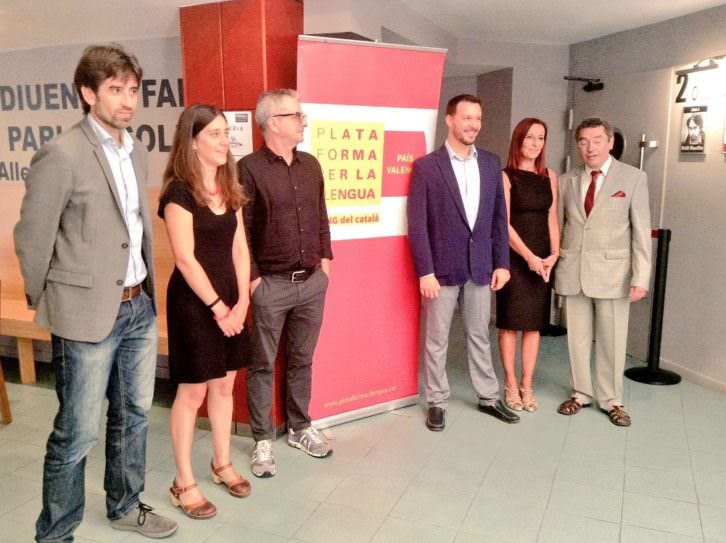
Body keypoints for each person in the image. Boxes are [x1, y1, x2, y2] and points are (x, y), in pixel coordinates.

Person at [14, 44, 177, 541]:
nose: (128, 101)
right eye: (115, 90)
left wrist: (145, 291)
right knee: (77, 432)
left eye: (133, 89)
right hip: (84, 314)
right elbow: (33, 236)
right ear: (88, 93)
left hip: (138, 306)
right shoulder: (62, 153)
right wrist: (49, 300)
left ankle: (125, 505)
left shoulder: (136, 149)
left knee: (132, 416)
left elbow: (133, 229)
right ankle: (56, 532)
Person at [158, 105, 251, 519]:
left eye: (225, 132)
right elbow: (184, 259)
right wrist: (218, 308)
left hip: (232, 300)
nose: (223, 140)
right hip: (195, 304)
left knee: (225, 386)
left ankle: (221, 463)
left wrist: (242, 303)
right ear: (192, 140)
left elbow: (240, 247)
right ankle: (183, 482)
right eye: (214, 133)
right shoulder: (178, 191)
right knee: (192, 391)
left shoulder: (230, 186)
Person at [407, 94, 518, 432]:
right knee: (437, 339)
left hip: (481, 266)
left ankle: (488, 397)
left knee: (479, 334)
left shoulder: (490, 163)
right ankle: (437, 401)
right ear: (450, 120)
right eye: (467, 117)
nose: (473, 124)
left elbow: (499, 218)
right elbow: (417, 223)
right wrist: (424, 271)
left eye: (478, 119)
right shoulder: (427, 166)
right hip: (440, 270)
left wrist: (502, 262)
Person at [239, 89, 333, 478]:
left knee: (302, 359)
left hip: (312, 281)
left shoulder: (311, 165)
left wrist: (325, 264)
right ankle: (263, 440)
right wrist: (254, 281)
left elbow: (322, 216)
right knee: (261, 365)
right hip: (270, 287)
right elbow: (241, 231)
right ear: (274, 123)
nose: (303, 121)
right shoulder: (248, 169)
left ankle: (299, 427)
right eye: (296, 115)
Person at [555, 117, 651, 426]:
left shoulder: (634, 178)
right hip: (574, 271)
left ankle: (612, 400)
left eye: (597, 140)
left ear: (610, 143)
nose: (589, 147)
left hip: (614, 274)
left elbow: (641, 231)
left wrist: (641, 278)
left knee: (612, 339)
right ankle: (581, 392)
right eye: (583, 141)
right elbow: (559, 227)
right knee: (578, 339)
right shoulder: (566, 180)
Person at [496, 118, 560, 413]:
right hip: (514, 258)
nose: (535, 144)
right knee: (510, 324)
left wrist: (554, 254)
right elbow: (503, 224)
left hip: (543, 259)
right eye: (529, 138)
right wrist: (529, 257)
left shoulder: (550, 176)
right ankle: (510, 384)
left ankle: (527, 384)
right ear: (518, 140)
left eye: (541, 138)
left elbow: (551, 218)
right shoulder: (506, 176)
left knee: (533, 326)